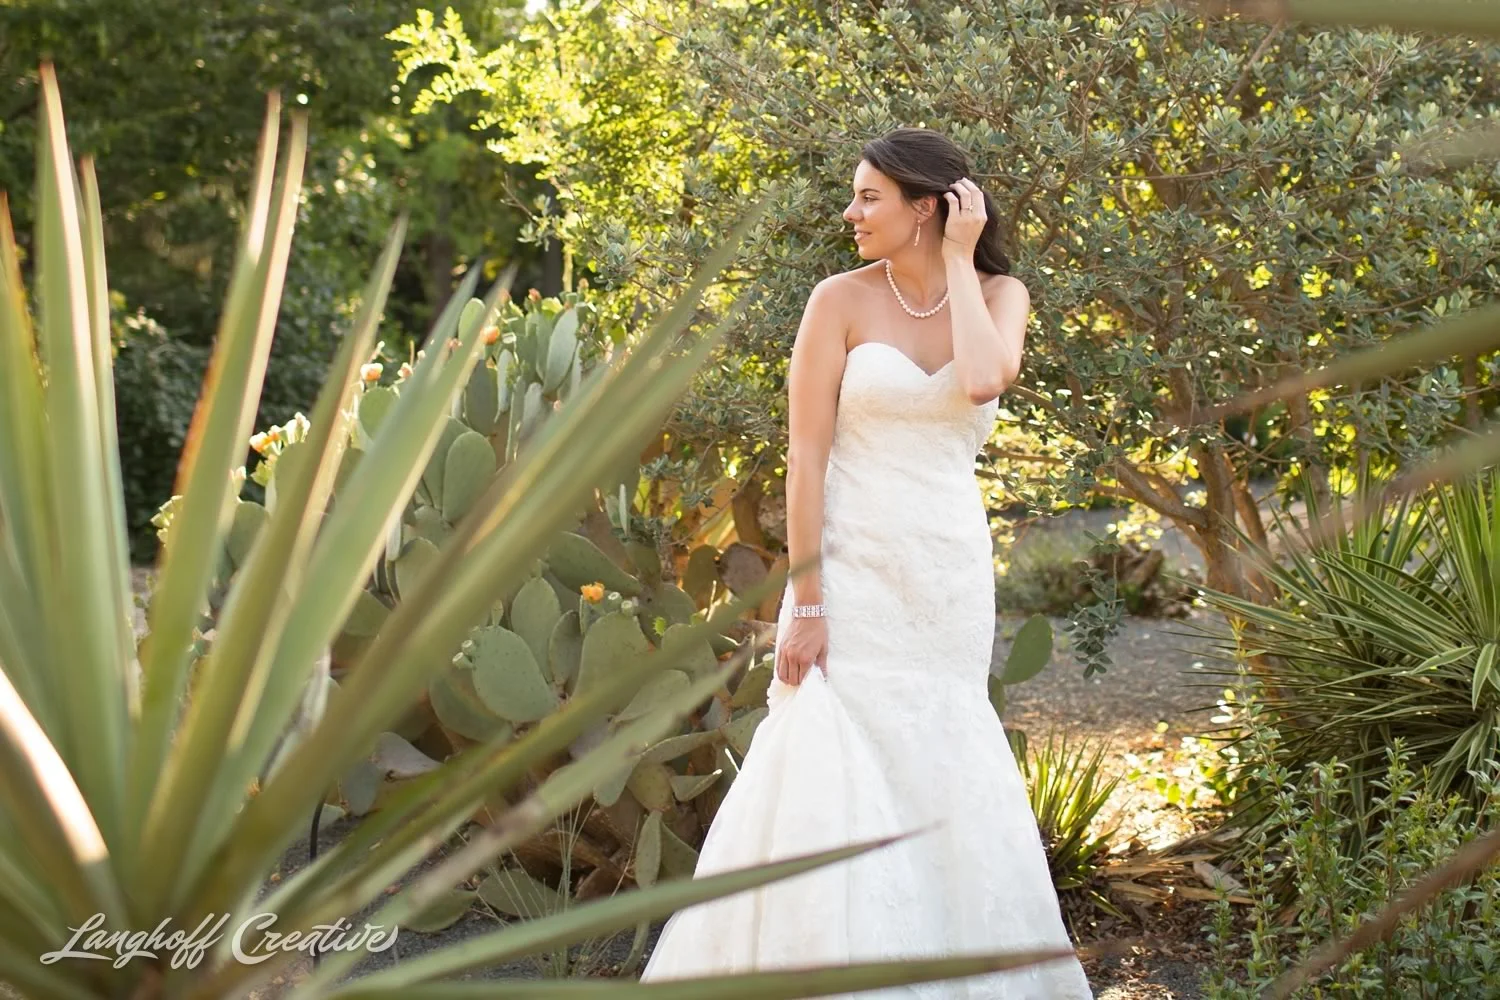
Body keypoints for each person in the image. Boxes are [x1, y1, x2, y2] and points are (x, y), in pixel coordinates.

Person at [638, 128, 1094, 999]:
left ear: (928, 207)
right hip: (851, 566)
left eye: (869, 198)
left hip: (947, 572)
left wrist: (961, 260)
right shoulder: (836, 301)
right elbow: (806, 460)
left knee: (945, 752)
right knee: (826, 753)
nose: (850, 213)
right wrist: (804, 603)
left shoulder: (1000, 294)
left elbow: (986, 380)